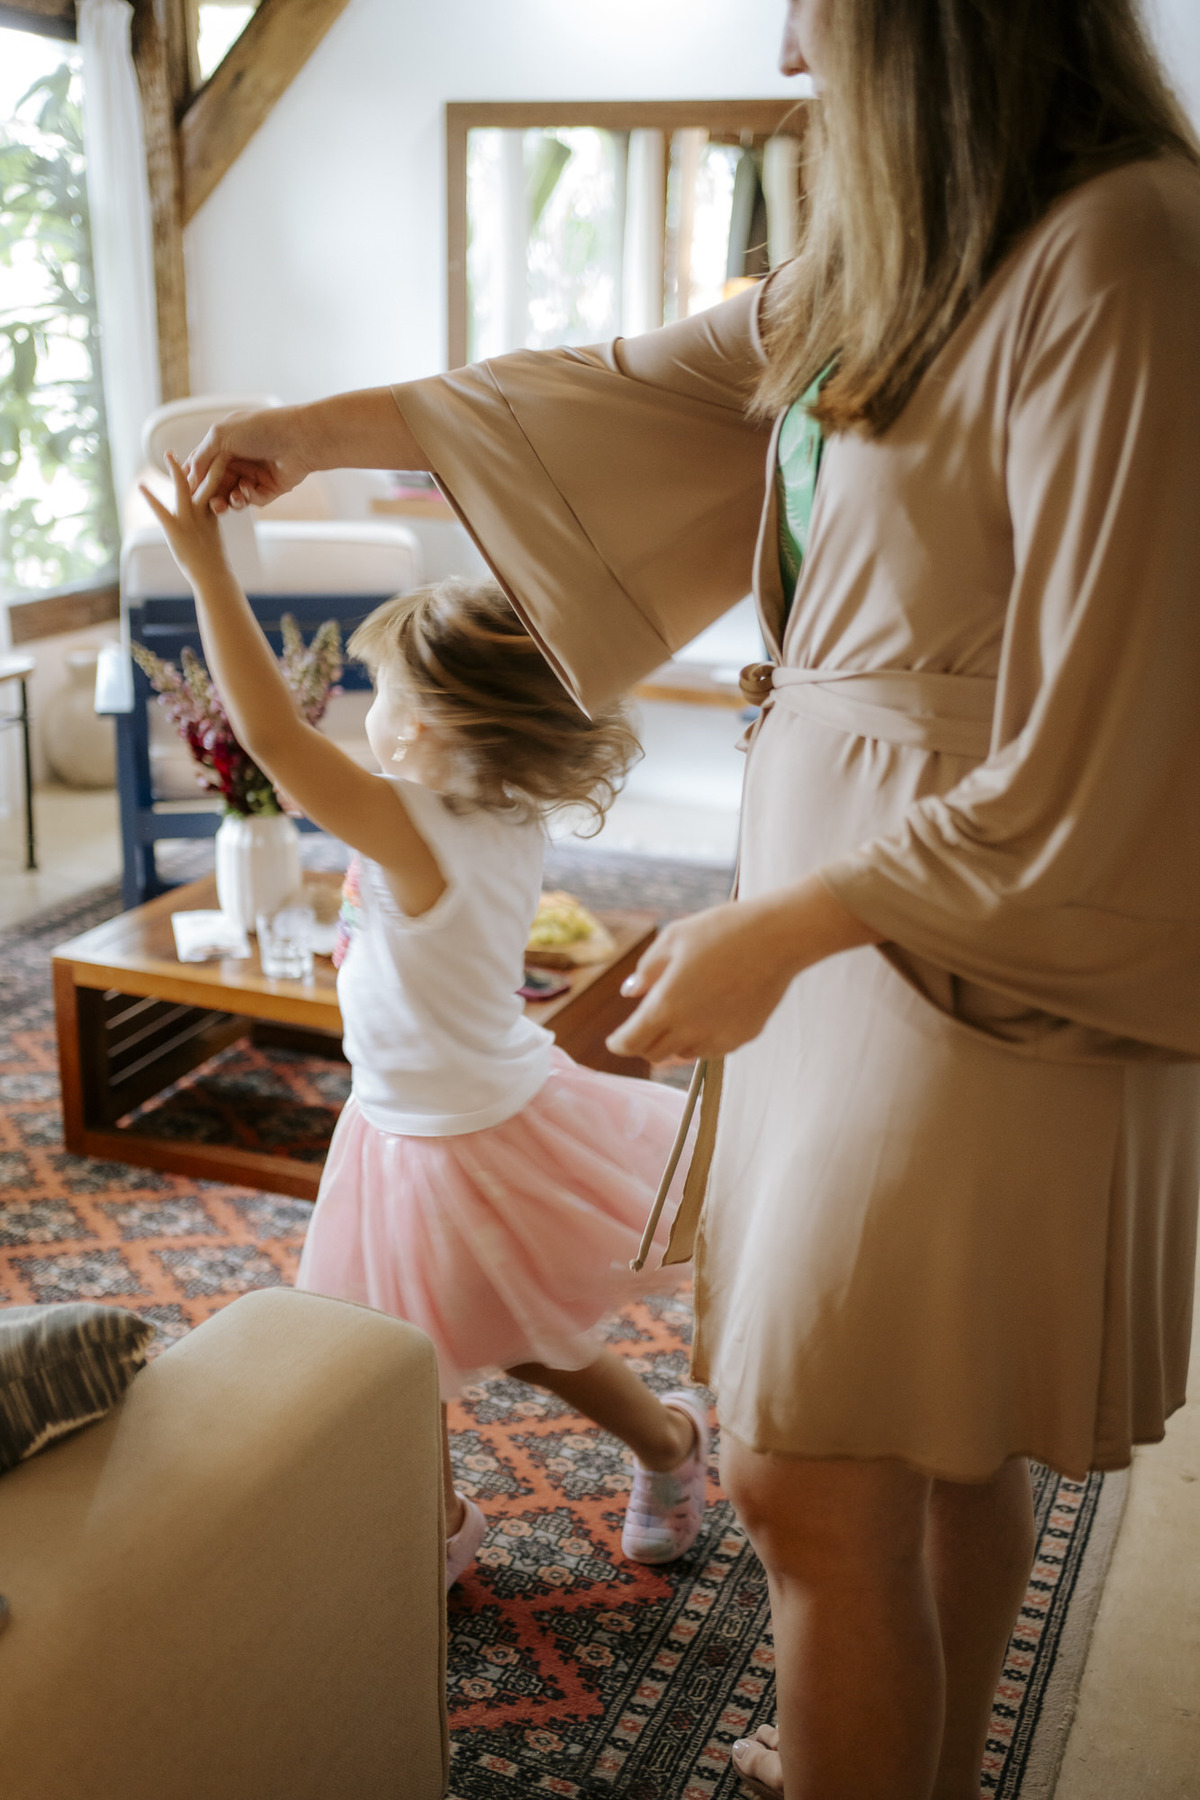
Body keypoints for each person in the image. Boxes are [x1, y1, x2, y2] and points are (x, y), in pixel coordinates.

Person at [183, 1, 1200, 1793]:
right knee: (938, 1438)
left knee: (812, 1458)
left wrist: (782, 928)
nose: (797, 55)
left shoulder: (1121, 254)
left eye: (812, 5)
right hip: (834, 899)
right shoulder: (895, 266)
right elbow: (631, 384)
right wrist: (313, 429)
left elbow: (1125, 733)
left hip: (969, 923)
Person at [139, 458, 711, 1590]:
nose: (370, 715)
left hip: (469, 1131)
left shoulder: (418, 830)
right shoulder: (491, 808)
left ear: (453, 735)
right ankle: (446, 1526)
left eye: (391, 697)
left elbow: (269, 732)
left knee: (512, 1340)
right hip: (407, 1120)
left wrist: (207, 563)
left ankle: (668, 1444)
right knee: (430, 1347)